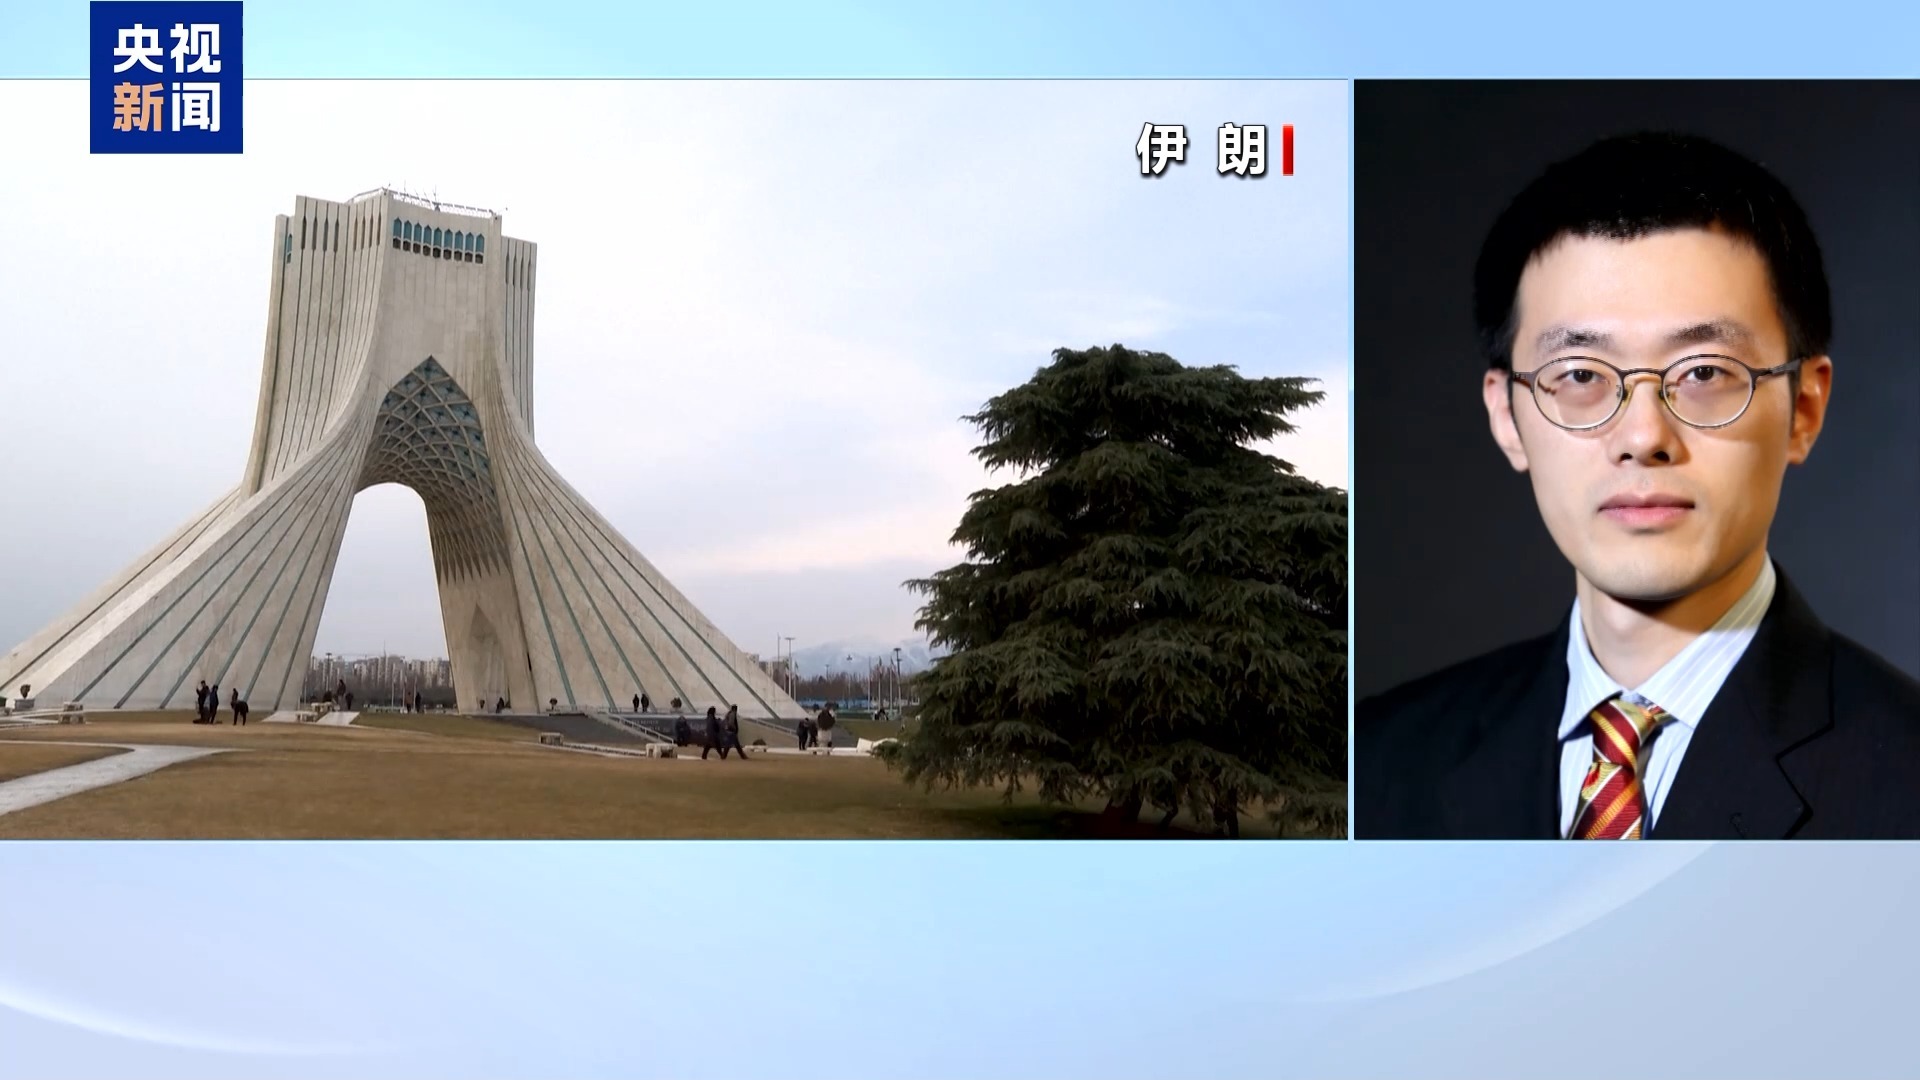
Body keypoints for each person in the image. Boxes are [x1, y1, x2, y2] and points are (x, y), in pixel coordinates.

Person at [1356, 132, 1920, 840]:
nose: (1643, 435)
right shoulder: (1376, 765)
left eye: (1705, 372)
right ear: (1506, 416)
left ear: (1804, 408)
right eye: (1581, 376)